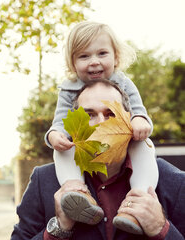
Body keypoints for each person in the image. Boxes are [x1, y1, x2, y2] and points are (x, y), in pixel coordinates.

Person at [11, 79, 185, 240]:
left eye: (111, 113)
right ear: (74, 126)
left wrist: (161, 228)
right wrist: (59, 228)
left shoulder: (173, 183)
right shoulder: (44, 181)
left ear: (129, 120)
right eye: (89, 115)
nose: (101, 123)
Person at [44, 21, 158, 234]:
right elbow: (60, 119)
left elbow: (137, 108)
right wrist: (55, 134)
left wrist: (140, 120)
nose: (94, 62)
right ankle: (77, 192)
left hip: (126, 140)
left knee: (145, 146)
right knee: (64, 151)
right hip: (85, 147)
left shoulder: (123, 83)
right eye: (84, 56)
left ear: (116, 57)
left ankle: (137, 202)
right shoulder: (69, 89)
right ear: (72, 63)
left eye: (102, 53)